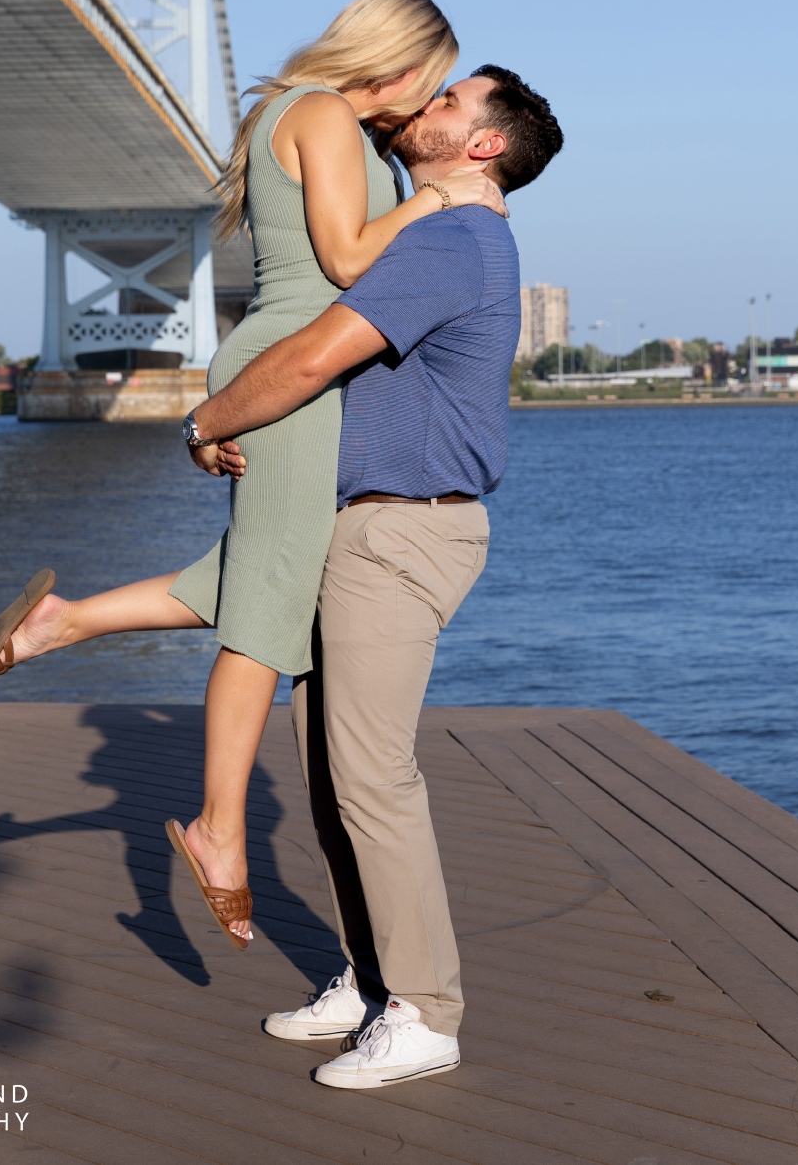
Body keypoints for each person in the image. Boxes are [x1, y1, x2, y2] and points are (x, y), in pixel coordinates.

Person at [0, 0, 505, 949]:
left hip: (275, 356)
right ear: (403, 62)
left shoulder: (300, 112)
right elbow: (341, 261)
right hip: (292, 364)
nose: (428, 105)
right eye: (435, 83)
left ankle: (60, 621)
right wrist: (435, 198)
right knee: (269, 607)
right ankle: (218, 830)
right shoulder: (328, 114)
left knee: (248, 570)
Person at [185, 66, 563, 1087]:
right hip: (368, 526)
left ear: (482, 145)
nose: (421, 106)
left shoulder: (451, 240)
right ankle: (367, 977)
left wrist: (209, 419)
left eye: (447, 103)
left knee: (372, 778)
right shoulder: (440, 229)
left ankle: (426, 1012)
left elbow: (315, 354)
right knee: (327, 771)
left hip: (401, 532)